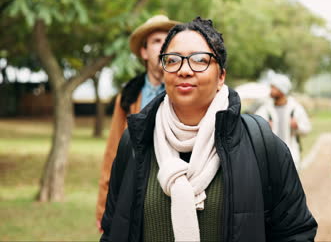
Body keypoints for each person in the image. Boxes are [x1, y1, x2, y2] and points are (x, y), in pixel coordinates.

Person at [100, 17, 317, 242]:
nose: (184, 70)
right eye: (172, 60)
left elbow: (296, 232)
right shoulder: (136, 141)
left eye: (200, 60)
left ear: (221, 76)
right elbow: (113, 229)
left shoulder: (261, 143)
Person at [96, 14, 180, 231]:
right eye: (156, 41)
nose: (163, 46)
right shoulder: (128, 96)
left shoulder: (185, 90)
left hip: (176, 190)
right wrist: (103, 207)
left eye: (168, 41)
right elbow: (113, 151)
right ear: (144, 52)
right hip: (134, 191)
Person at [255, 73, 311, 169]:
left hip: (291, 157)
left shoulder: (296, 108)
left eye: (274, 88)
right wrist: (263, 127)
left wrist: (297, 127)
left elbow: (307, 129)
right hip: (270, 158)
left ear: (282, 90)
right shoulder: (265, 108)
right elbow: (254, 126)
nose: (271, 90)